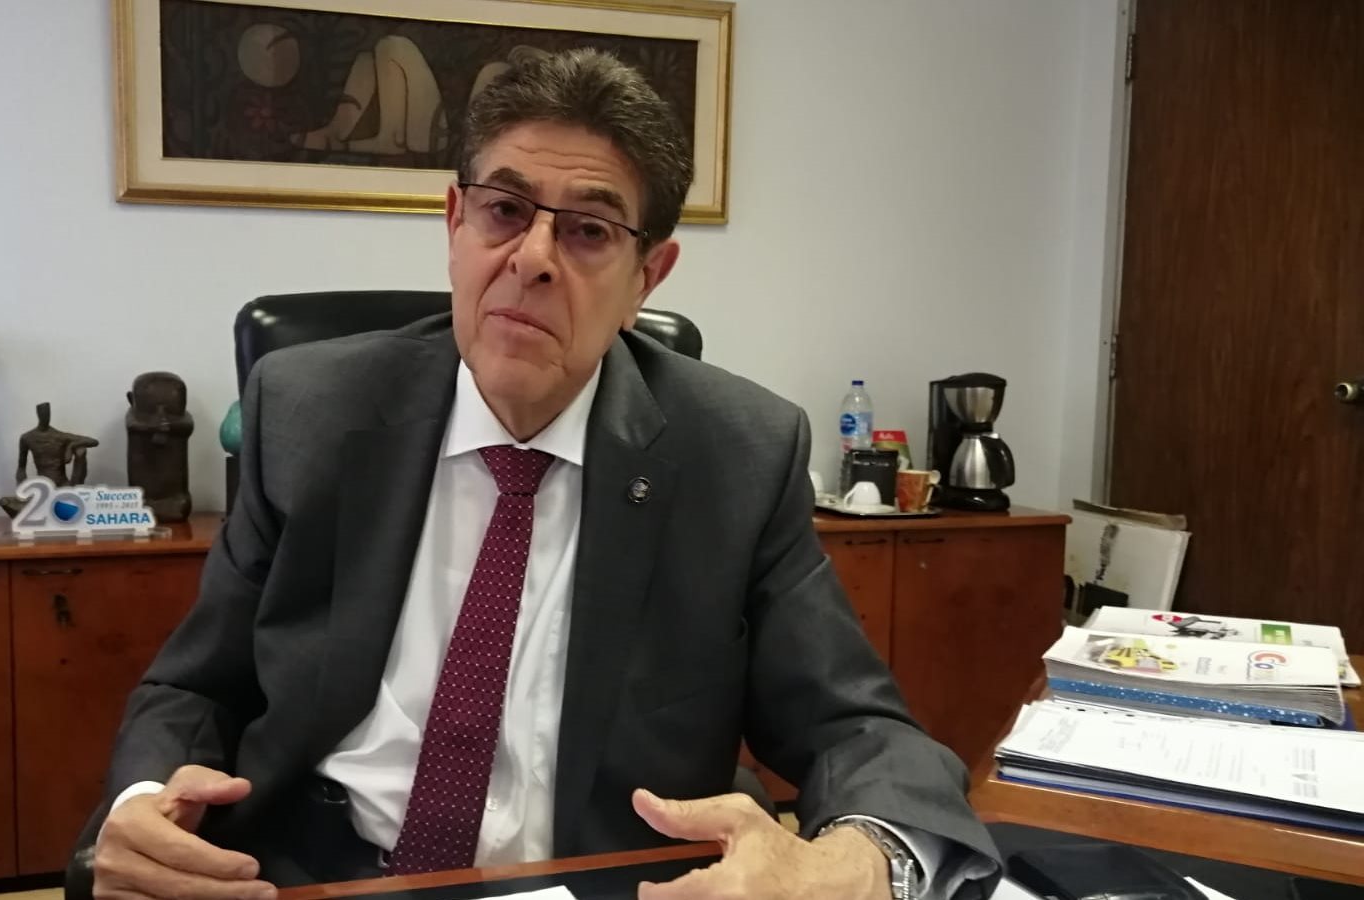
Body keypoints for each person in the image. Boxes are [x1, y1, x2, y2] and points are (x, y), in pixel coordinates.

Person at [79, 48, 1000, 900]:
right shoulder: (308, 412)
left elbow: (857, 729)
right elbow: (195, 689)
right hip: (315, 877)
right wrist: (143, 805)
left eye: (590, 230)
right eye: (505, 210)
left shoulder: (737, 455)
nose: (531, 259)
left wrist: (857, 865)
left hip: (605, 883)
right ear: (455, 222)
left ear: (648, 277)